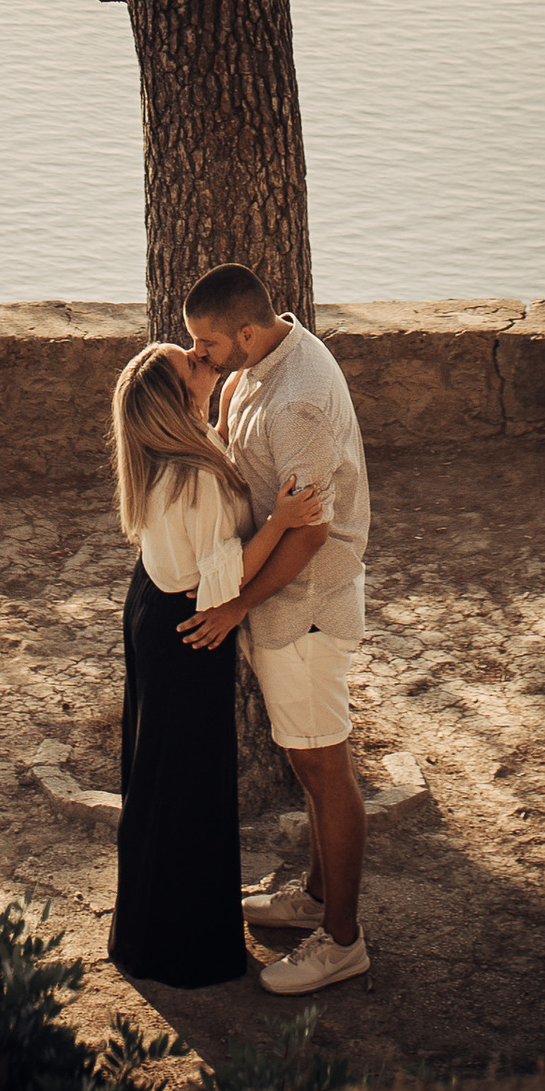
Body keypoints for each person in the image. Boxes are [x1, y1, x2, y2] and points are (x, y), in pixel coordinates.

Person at [180, 262, 374, 994]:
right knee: (312, 762)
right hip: (289, 607)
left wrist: (234, 605)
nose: (200, 354)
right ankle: (319, 901)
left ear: (248, 331)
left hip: (307, 611)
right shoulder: (273, 356)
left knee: (325, 769)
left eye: (208, 343)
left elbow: (309, 535)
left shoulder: (297, 403)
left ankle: (344, 941)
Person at [106, 340, 325, 987]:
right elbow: (220, 580)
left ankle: (147, 930)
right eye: (193, 366)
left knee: (156, 778)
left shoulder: (164, 455)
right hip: (189, 625)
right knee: (187, 785)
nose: (205, 360)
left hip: (152, 605)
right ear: (178, 403)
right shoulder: (194, 476)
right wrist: (282, 519)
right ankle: (182, 950)